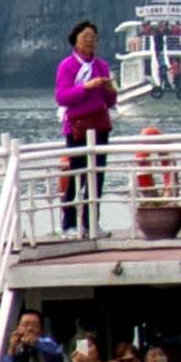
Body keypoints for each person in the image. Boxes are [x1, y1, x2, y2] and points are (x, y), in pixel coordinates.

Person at [57, 20, 118, 230]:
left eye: (93, 37)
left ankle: (92, 222)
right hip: (78, 127)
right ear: (75, 40)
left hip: (99, 126)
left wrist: (110, 90)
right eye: (85, 37)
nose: (90, 41)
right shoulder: (68, 66)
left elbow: (109, 102)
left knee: (98, 174)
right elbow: (62, 97)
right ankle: (69, 223)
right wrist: (86, 87)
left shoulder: (101, 66)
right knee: (77, 173)